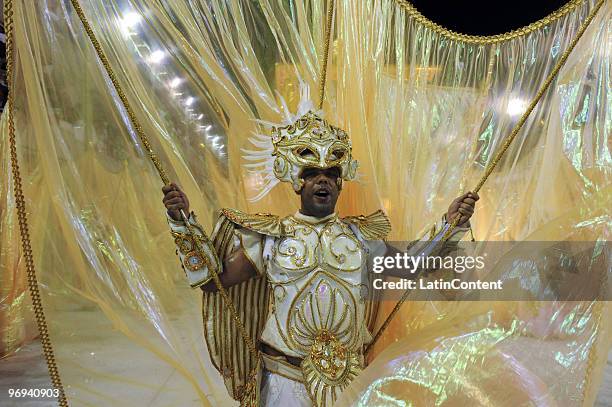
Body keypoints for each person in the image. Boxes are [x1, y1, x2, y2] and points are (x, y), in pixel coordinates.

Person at [162, 107, 478, 406]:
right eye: (312, 173)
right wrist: (182, 221)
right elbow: (213, 281)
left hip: (347, 376)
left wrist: (451, 224)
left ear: (341, 182)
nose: (322, 180)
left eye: (330, 172)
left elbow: (412, 267)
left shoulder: (361, 238)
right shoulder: (271, 237)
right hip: (284, 378)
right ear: (297, 181)